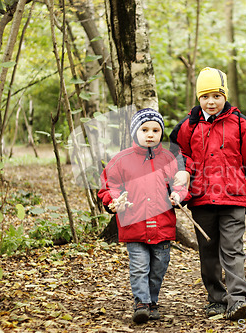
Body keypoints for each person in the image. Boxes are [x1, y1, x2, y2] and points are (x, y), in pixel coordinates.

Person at [169, 67, 246, 320]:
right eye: (205, 96)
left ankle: (238, 299)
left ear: (224, 96)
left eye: (216, 95)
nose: (211, 101)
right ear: (198, 98)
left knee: (233, 249)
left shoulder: (239, 123)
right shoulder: (188, 126)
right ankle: (216, 298)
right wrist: (181, 184)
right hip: (201, 200)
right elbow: (178, 157)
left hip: (233, 198)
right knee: (208, 250)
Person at [98, 108, 188, 324]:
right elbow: (110, 186)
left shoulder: (169, 158)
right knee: (139, 267)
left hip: (163, 225)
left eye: (155, 130)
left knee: (159, 266)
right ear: (134, 132)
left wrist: (178, 195)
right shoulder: (121, 160)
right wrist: (113, 200)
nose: (150, 134)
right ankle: (141, 302)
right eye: (144, 129)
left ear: (161, 133)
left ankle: (152, 300)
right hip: (134, 225)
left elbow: (180, 184)